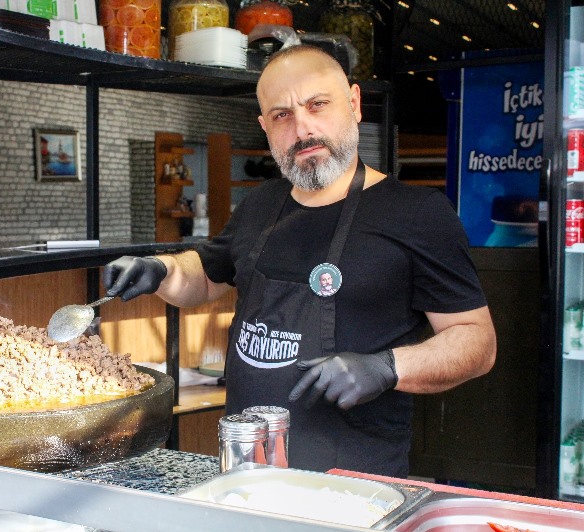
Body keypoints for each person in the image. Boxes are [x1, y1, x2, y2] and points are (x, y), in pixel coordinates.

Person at [102, 44, 496, 477]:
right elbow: (208, 277)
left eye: (317, 105)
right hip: (248, 473)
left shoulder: (416, 214)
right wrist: (161, 269)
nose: (302, 128)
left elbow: (476, 342)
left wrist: (388, 367)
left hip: (351, 483)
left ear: (354, 103)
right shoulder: (260, 204)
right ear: (265, 127)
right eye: (282, 115)